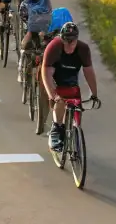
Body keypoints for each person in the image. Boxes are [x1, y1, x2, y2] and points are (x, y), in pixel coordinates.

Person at [42, 19, 99, 154]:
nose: (68, 44)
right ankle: (57, 128)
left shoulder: (83, 49)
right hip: (55, 77)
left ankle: (75, 134)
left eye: (72, 42)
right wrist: (52, 95)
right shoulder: (54, 46)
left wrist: (94, 94)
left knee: (76, 104)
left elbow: (89, 72)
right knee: (60, 101)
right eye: (66, 41)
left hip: (71, 79)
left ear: (76, 39)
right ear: (61, 39)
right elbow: (46, 71)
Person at [17, 0, 54, 80]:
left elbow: (50, 14)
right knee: (24, 47)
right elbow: (22, 16)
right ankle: (21, 70)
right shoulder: (25, 3)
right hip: (31, 30)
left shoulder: (46, 1)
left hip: (44, 31)